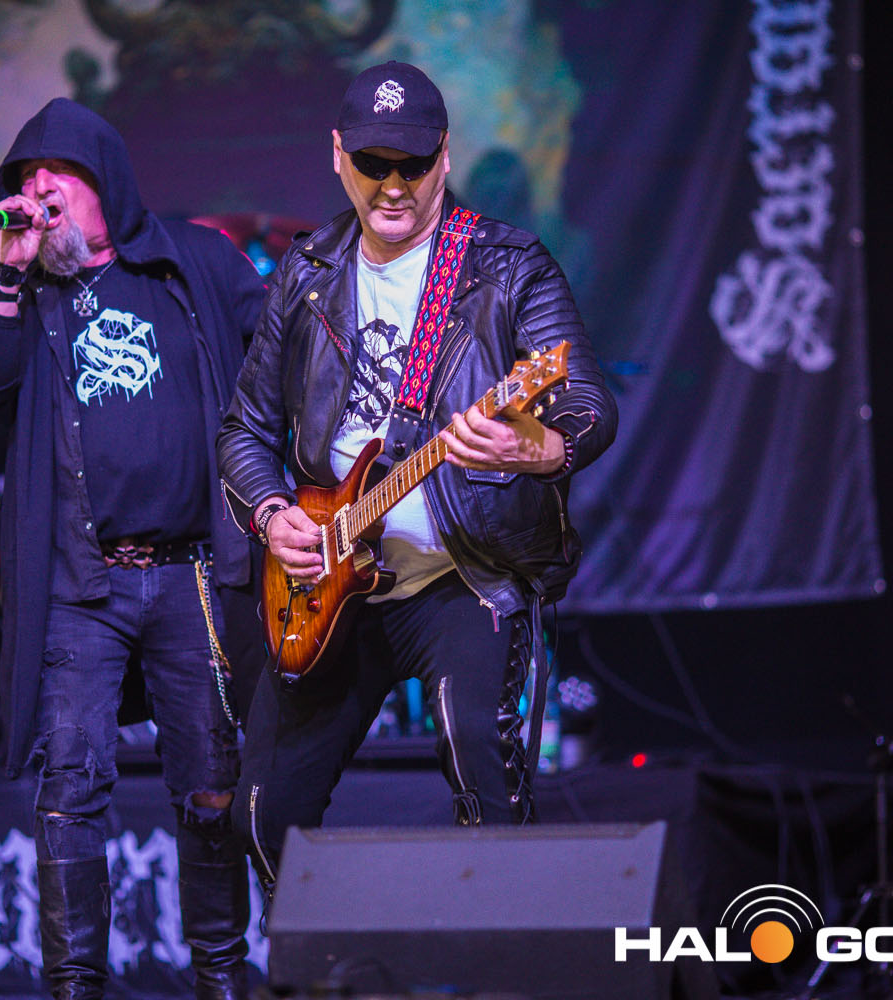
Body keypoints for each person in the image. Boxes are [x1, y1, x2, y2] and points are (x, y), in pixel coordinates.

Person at [216, 62, 616, 896]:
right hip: (329, 585)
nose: (393, 186)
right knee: (262, 812)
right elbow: (244, 430)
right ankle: (341, 960)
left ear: (445, 156)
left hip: (461, 576)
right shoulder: (306, 271)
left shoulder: (506, 265)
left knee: (486, 788)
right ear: (337, 155)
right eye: (373, 163)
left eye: (414, 164)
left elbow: (586, 402)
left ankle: (494, 953)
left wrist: (537, 448)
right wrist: (273, 513)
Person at [0, 97, 263, 1000]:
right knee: (71, 788)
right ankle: (76, 985)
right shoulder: (21, 292)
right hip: (83, 584)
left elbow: (281, 353)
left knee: (211, 788)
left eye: (58, 178)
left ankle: (222, 978)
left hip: (193, 574)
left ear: (106, 182)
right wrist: (5, 276)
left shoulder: (192, 261)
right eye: (26, 182)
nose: (38, 194)